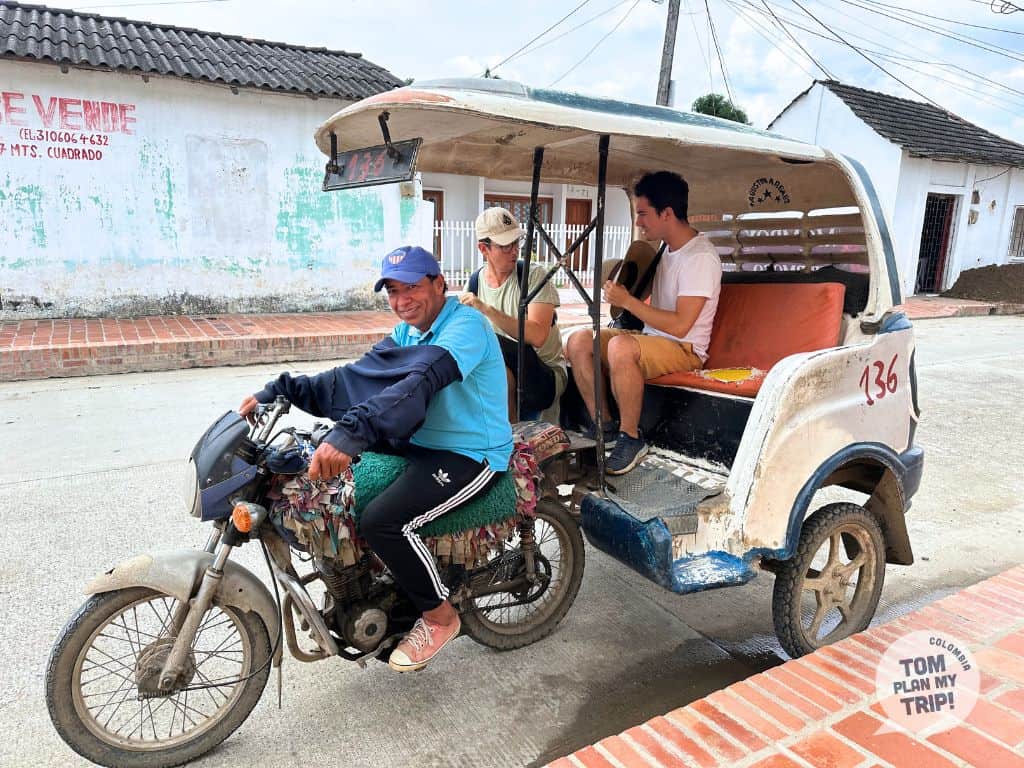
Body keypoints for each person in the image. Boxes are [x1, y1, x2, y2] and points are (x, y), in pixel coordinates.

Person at [239, 245, 512, 672]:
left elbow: (418, 383)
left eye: (412, 288)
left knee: (382, 520)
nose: (402, 300)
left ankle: (441, 618)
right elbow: (355, 379)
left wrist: (351, 434)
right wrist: (281, 388)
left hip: (469, 452)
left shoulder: (466, 327)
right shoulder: (407, 333)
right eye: (393, 291)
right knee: (324, 471)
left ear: (440, 284)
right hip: (418, 442)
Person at [565, 171, 722, 475]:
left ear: (667, 213)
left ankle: (631, 438)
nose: (638, 222)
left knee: (622, 347)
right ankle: (605, 425)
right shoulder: (665, 249)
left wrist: (629, 302)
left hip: (684, 347)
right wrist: (621, 287)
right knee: (579, 340)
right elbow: (642, 293)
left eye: (643, 214)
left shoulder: (699, 257)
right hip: (651, 338)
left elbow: (680, 326)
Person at [458, 207, 567, 421]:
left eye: (516, 243)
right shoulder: (473, 284)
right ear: (484, 248)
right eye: (505, 246)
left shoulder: (533, 276)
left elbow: (537, 335)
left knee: (488, 343)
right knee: (493, 370)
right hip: (503, 371)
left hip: (543, 376)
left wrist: (487, 310)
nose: (515, 251)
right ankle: (508, 444)